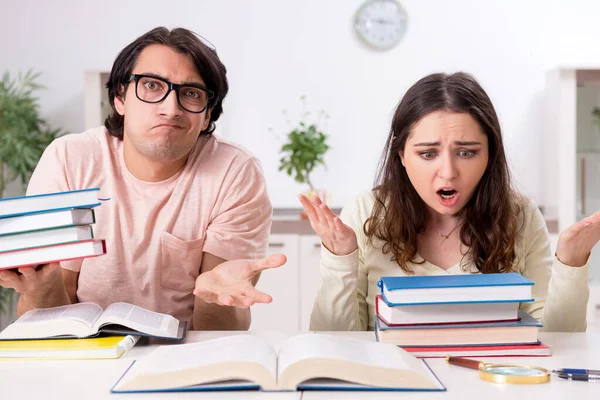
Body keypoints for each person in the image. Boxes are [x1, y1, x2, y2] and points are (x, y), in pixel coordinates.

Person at [0, 27, 285, 330]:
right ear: (120, 98)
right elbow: (45, 315)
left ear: (206, 115)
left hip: (184, 357)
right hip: (84, 353)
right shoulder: (70, 159)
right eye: (151, 86)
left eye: (190, 93)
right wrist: (42, 287)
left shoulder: (235, 172)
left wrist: (212, 298)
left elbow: (217, 333)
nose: (170, 109)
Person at [300, 72, 600, 332]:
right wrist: (340, 258)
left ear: (490, 154)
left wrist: (571, 262)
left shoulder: (520, 216)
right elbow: (333, 342)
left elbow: (557, 343)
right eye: (428, 154)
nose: (448, 172)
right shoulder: (367, 213)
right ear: (401, 155)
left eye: (467, 152)